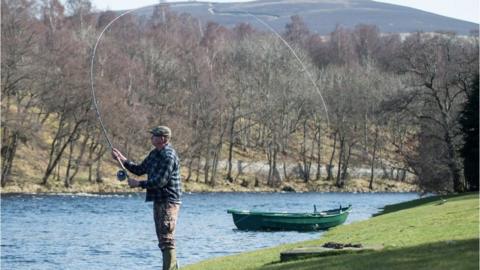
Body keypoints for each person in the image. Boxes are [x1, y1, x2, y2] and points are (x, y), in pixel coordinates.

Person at [112, 126, 181, 270]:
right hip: (158, 200)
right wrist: (122, 159)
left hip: (169, 201)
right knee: (162, 239)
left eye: (154, 136)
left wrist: (139, 184)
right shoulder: (154, 154)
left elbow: (161, 181)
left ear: (163, 138)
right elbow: (139, 169)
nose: (151, 138)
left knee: (166, 238)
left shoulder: (169, 156)